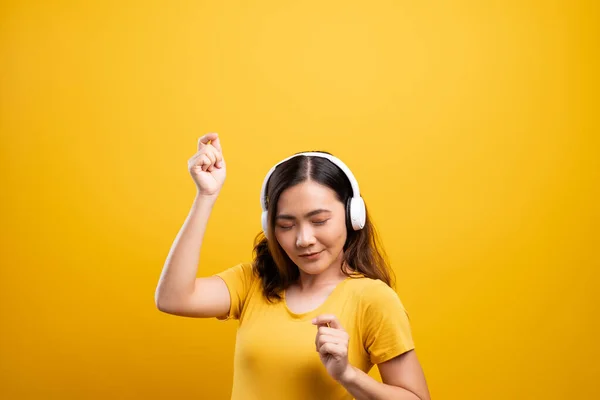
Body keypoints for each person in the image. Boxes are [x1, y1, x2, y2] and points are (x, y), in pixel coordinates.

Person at [155, 133, 431, 400]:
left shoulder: (374, 299)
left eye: (319, 220)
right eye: (285, 225)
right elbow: (172, 298)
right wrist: (206, 195)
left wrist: (348, 375)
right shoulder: (253, 281)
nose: (303, 240)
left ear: (352, 216)